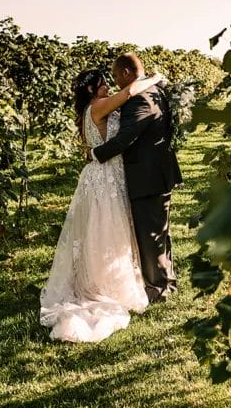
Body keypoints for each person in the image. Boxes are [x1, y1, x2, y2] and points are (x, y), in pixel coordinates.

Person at [39, 67, 167, 343]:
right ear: (91, 90)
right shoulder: (97, 106)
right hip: (105, 176)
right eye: (102, 83)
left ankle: (101, 279)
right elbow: (130, 91)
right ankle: (106, 285)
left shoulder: (92, 109)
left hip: (103, 174)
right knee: (108, 231)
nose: (107, 86)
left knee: (102, 232)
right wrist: (155, 78)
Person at [85, 53, 183, 303]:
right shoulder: (156, 91)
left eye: (116, 76)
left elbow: (126, 137)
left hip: (147, 176)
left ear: (127, 73)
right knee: (160, 231)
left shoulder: (139, 98)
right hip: (158, 172)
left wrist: (95, 153)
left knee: (150, 236)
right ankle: (167, 281)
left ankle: (159, 289)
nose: (115, 82)